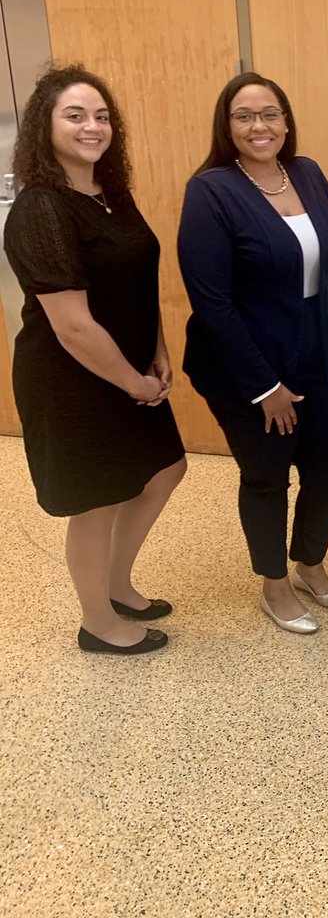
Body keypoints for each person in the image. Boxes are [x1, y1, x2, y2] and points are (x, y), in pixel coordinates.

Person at [3, 66, 186, 655]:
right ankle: (97, 624)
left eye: (102, 115)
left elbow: (138, 278)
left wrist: (156, 351)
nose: (93, 126)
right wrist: (132, 381)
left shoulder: (111, 194)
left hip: (130, 366)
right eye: (75, 115)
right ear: (43, 126)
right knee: (97, 499)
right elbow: (73, 325)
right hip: (70, 377)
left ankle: (115, 584)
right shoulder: (39, 208)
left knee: (164, 469)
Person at [177, 72, 328, 635]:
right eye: (245, 116)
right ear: (226, 126)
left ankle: (310, 562)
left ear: (286, 120)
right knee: (267, 474)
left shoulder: (307, 173)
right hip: (244, 359)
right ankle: (274, 584)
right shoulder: (211, 190)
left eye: (270, 113)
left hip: (317, 347)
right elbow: (212, 302)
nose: (261, 126)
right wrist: (264, 388)